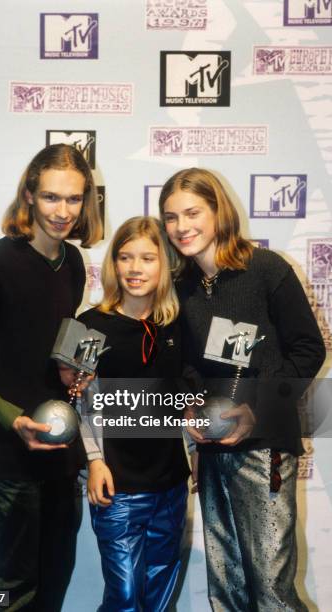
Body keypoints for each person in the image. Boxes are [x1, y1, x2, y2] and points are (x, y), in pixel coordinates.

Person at [0, 144, 102, 611]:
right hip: (9, 456)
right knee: (10, 590)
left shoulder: (72, 264)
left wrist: (71, 371)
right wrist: (11, 416)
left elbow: (39, 346)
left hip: (59, 453)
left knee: (54, 581)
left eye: (73, 199)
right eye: (51, 197)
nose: (63, 211)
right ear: (28, 194)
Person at [159, 168, 326, 612]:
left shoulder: (266, 269)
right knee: (226, 584)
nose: (182, 227)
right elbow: (189, 366)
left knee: (271, 586)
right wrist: (190, 408)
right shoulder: (182, 285)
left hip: (265, 446)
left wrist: (258, 407)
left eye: (192, 212)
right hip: (213, 450)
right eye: (171, 217)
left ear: (218, 212)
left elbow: (309, 349)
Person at [61, 216, 190, 612]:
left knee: (160, 595)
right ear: (113, 264)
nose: (135, 269)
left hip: (170, 486)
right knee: (126, 598)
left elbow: (188, 399)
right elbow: (80, 400)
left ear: (164, 263)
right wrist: (95, 462)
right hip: (116, 487)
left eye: (148, 258)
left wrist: (198, 452)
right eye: (125, 257)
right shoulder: (89, 324)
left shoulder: (179, 324)